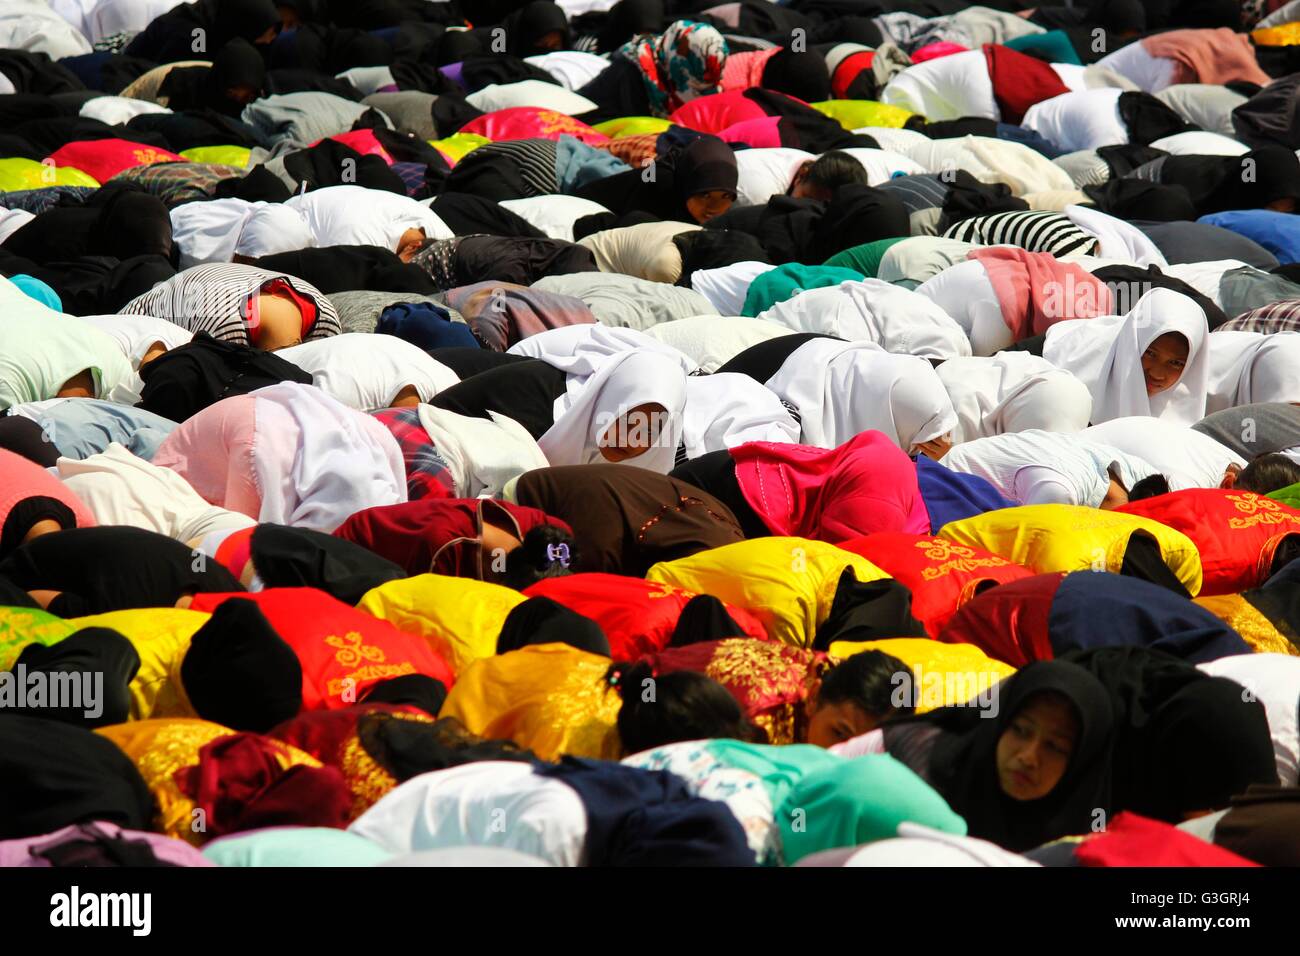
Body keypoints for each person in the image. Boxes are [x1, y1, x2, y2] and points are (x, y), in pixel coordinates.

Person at [833, 660, 1114, 851]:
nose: (1029, 757)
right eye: (1020, 731)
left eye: (1054, 747)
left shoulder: (1082, 842)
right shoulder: (909, 753)